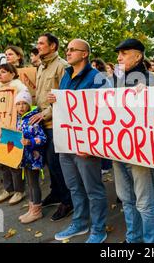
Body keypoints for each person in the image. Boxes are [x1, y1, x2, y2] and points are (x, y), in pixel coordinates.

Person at [49, 39, 109, 243]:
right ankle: (80, 223)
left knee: (93, 189)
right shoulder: (66, 76)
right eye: (67, 49)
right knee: (74, 187)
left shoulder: (98, 78)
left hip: (85, 145)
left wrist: (91, 144)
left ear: (85, 54)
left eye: (72, 50)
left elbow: (106, 110)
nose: (68, 52)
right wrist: (55, 101)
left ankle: (99, 229)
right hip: (66, 142)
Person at [113, 38, 154, 243]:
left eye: (124, 53)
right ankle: (133, 238)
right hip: (116, 146)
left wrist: (150, 96)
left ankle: (151, 243)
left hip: (140, 149)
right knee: (126, 198)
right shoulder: (114, 79)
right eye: (118, 54)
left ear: (138, 56)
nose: (118, 57)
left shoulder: (151, 80)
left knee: (144, 201)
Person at [29, 32, 73, 221]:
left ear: (53, 46)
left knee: (56, 164)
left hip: (55, 123)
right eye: (37, 43)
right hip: (42, 124)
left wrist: (44, 114)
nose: (38, 46)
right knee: (48, 163)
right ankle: (55, 193)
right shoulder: (40, 67)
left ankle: (67, 201)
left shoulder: (62, 66)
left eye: (41, 43)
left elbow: (64, 98)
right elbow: (40, 95)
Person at [0, 63, 28, 205]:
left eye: (4, 72)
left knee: (14, 161)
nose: (0, 74)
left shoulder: (20, 88)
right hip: (2, 129)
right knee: (3, 160)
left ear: (12, 74)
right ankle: (8, 189)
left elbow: (24, 108)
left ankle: (19, 191)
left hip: (15, 129)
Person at [14, 90, 47, 224]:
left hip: (34, 158)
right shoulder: (19, 119)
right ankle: (31, 208)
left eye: (24, 103)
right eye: (18, 104)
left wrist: (30, 142)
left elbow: (42, 138)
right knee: (29, 183)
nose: (21, 107)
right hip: (24, 158)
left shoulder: (33, 120)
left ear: (29, 105)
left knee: (34, 184)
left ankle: (37, 211)